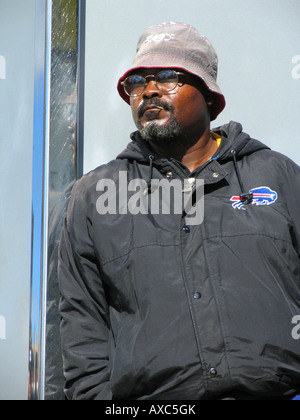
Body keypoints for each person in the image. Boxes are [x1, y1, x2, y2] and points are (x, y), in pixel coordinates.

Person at [58, 22, 300, 400]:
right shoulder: (94, 196)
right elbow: (82, 324)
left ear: (208, 94)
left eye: (168, 76)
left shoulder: (277, 174)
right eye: (136, 82)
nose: (149, 89)